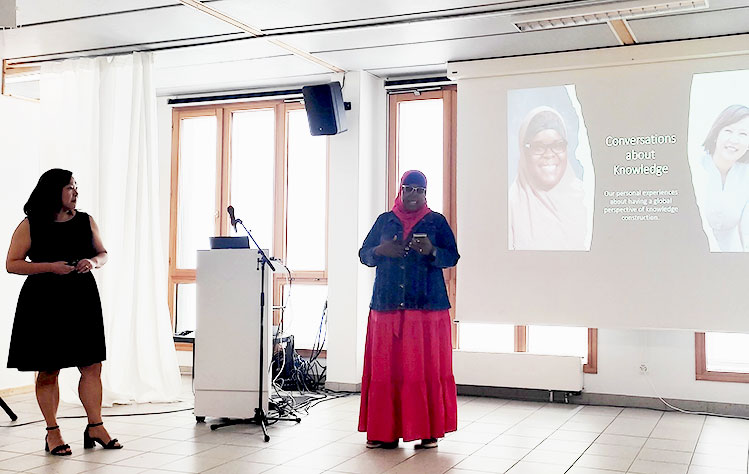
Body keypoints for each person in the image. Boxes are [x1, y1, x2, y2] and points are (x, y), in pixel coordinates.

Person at [6, 169, 122, 456]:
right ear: (53, 190)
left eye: (76, 187)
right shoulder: (30, 224)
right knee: (48, 368)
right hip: (43, 302)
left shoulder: (85, 220)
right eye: (71, 187)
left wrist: (93, 262)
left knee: (92, 365)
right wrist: (51, 266)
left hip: (81, 299)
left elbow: (103, 253)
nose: (76, 192)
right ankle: (52, 432)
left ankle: (95, 425)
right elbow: (12, 264)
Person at [358, 170, 459, 449]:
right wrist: (381, 250)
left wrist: (432, 251)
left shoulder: (436, 222)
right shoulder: (384, 220)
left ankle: (428, 431)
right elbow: (364, 254)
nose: (413, 195)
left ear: (426, 194)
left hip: (426, 309)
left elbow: (452, 257)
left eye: (419, 190)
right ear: (400, 191)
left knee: (423, 370)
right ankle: (383, 432)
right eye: (408, 189)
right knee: (386, 371)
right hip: (387, 306)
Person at [509, 106, 588, 250]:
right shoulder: (511, 204)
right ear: (524, 151)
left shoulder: (586, 198)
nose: (549, 154)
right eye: (538, 147)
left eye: (558, 145)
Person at [695, 104, 749, 252]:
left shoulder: (746, 175)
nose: (734, 140)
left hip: (732, 261)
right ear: (716, 134)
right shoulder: (695, 166)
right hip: (694, 257)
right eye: (728, 131)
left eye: (743, 134)